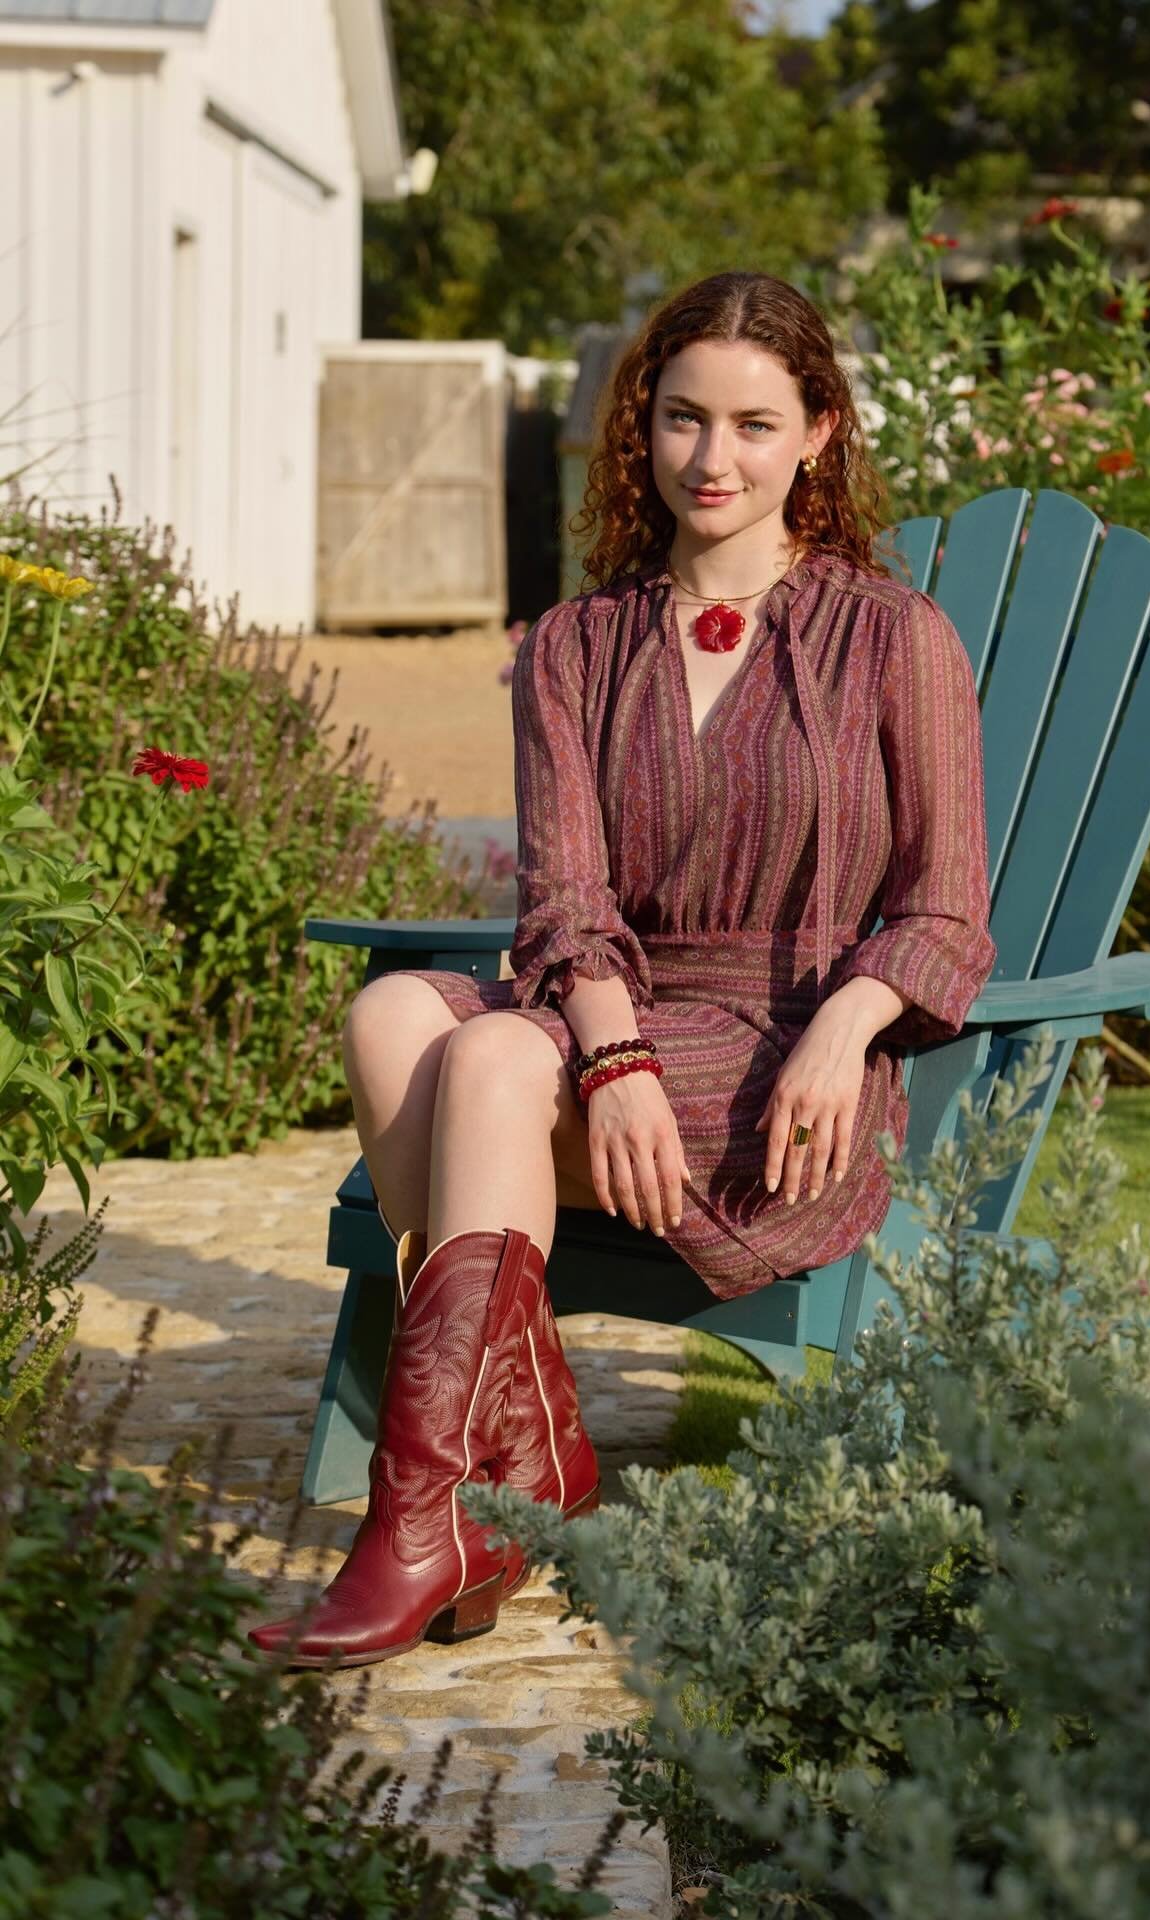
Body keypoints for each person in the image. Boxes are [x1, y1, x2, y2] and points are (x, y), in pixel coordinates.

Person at [248, 271, 997, 1670]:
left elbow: (947, 908)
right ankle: (507, 1460)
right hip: (622, 1037)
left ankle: (429, 1513)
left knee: (485, 1052)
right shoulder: (577, 645)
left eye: (755, 425)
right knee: (393, 1010)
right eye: (682, 419)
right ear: (639, 429)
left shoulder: (898, 641)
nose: (713, 460)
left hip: (783, 1067)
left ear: (820, 433)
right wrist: (615, 1050)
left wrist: (847, 1025)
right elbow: (570, 902)